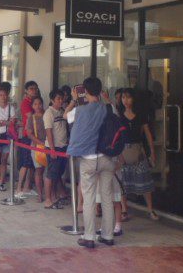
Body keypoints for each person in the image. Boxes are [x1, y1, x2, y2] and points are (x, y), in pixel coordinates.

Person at [67, 77, 116, 249]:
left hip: (88, 159)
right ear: (101, 91)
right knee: (107, 198)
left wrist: (74, 100)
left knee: (89, 199)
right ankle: (108, 235)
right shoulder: (109, 108)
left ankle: (89, 237)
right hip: (108, 159)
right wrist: (107, 99)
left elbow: (65, 116)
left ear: (85, 92)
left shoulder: (80, 110)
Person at [118, 88, 159, 222]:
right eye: (123, 97)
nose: (126, 100)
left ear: (134, 99)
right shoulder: (119, 114)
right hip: (123, 151)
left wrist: (152, 152)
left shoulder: (140, 114)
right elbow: (116, 136)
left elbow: (147, 134)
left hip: (138, 150)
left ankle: (150, 209)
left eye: (128, 97)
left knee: (145, 181)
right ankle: (124, 210)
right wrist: (118, 154)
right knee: (123, 183)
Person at [43, 89, 70, 209]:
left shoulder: (63, 111)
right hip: (53, 148)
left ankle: (55, 196)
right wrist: (52, 149)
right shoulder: (49, 113)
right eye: (58, 99)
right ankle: (48, 199)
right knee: (51, 174)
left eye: (62, 98)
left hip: (63, 147)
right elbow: (49, 132)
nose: (60, 101)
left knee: (58, 173)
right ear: (52, 100)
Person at [16, 81, 38, 198]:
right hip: (27, 135)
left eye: (35, 88)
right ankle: (19, 188)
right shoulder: (25, 103)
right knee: (25, 163)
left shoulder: (35, 102)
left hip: (35, 135)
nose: (33, 90)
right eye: (31, 89)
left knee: (31, 164)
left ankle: (27, 187)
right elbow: (31, 116)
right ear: (26, 90)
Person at [22, 95, 46, 202]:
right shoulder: (31, 118)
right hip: (37, 147)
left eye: (40, 104)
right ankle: (40, 195)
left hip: (49, 146)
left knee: (48, 171)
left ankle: (50, 193)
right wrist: (40, 143)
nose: (38, 106)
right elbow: (30, 134)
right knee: (38, 171)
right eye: (35, 104)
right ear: (32, 106)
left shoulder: (47, 115)